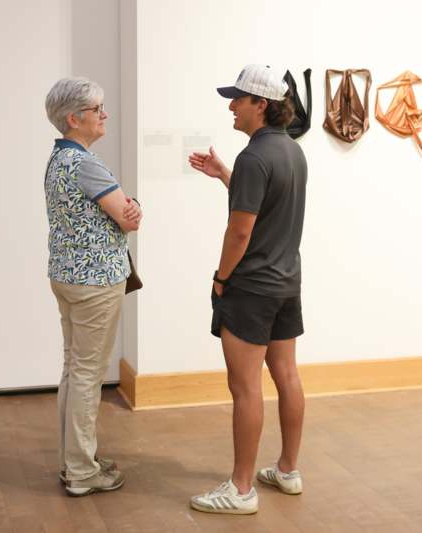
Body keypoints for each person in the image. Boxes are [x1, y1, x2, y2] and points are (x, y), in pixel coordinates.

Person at [188, 64, 308, 515]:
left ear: (262, 104)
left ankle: (240, 490)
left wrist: (221, 279)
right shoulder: (291, 152)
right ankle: (288, 470)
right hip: (285, 282)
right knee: (288, 377)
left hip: (251, 288)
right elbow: (269, 205)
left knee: (246, 389)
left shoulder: (255, 157)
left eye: (238, 99)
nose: (231, 106)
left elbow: (240, 232)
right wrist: (225, 175)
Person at [44, 77, 142, 496]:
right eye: (97, 109)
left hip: (67, 276)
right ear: (73, 118)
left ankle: (75, 459)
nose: (104, 115)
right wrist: (132, 211)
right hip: (95, 280)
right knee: (86, 375)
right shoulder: (87, 164)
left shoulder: (57, 159)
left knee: (74, 370)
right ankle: (82, 471)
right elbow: (127, 216)